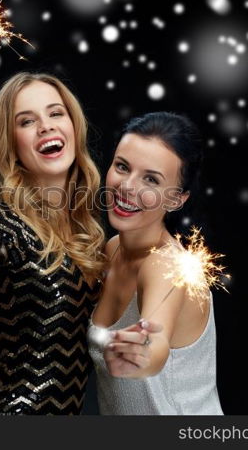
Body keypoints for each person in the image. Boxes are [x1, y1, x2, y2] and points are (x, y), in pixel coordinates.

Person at [0, 73, 106, 414]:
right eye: (27, 121)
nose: (46, 126)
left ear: (74, 126)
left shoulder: (85, 227)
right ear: (11, 144)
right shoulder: (3, 222)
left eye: (56, 113)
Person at [87, 112, 223, 415]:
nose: (128, 187)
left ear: (177, 199)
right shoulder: (111, 252)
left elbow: (156, 341)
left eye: (151, 179)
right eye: (122, 167)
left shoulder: (167, 265)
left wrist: (143, 353)